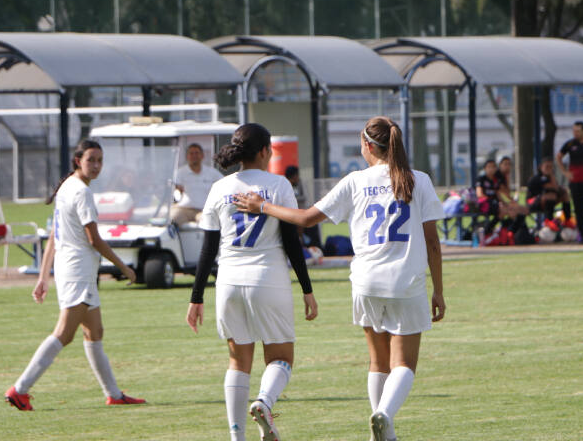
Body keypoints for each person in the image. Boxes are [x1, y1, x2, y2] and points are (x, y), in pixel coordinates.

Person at [234, 116, 446, 441]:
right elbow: (432, 242)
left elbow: (305, 218)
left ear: (367, 145)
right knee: (403, 362)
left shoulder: (355, 181)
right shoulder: (419, 180)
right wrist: (439, 291)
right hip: (407, 282)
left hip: (366, 282)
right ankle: (384, 415)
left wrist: (262, 206)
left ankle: (381, 430)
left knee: (378, 360)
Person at [186, 124, 318, 441]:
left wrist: (196, 297)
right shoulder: (278, 184)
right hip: (267, 277)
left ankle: (236, 437)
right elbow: (291, 241)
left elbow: (207, 248)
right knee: (281, 358)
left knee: (238, 361)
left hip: (228, 280)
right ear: (263, 151)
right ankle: (264, 402)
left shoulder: (219, 188)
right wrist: (307, 289)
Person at [5, 140, 144, 411]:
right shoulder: (80, 192)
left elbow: (55, 237)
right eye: (91, 159)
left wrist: (43, 276)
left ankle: (113, 394)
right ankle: (19, 390)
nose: (96, 165)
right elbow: (94, 239)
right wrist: (123, 267)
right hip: (78, 272)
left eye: (100, 161)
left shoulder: (68, 186)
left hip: (74, 271)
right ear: (77, 160)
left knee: (94, 332)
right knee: (64, 334)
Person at [171, 143, 223, 226]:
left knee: (210, 223)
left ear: (202, 155)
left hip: (204, 211)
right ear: (187, 156)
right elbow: (173, 191)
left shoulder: (212, 172)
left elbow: (224, 184)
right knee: (172, 219)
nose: (194, 156)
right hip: (183, 210)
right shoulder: (179, 173)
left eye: (197, 153)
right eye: (191, 153)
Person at [284, 165, 321, 250]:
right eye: (296, 175)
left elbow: (304, 197)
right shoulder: (284, 184)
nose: (298, 178)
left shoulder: (300, 183)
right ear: (292, 176)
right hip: (288, 214)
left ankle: (307, 244)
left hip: (301, 211)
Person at [526, 157, 572, 222]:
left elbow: (557, 188)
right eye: (547, 167)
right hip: (532, 202)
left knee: (564, 193)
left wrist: (551, 175)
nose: (549, 169)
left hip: (546, 202)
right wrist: (551, 175)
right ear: (541, 167)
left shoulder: (550, 178)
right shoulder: (537, 178)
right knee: (550, 196)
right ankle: (549, 220)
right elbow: (553, 187)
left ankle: (568, 219)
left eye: (551, 167)